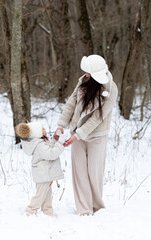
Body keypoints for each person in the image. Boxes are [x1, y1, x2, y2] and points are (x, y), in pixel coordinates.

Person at [54, 54, 118, 216]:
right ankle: (84, 209)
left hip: (96, 135)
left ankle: (97, 206)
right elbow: (71, 103)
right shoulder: (83, 80)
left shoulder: (111, 88)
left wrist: (79, 134)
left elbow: (99, 117)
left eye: (89, 73)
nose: (86, 75)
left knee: (94, 172)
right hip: (77, 132)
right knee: (80, 171)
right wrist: (61, 126)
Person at [16, 122, 64, 217]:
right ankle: (30, 210)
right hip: (43, 173)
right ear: (37, 133)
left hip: (46, 173)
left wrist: (56, 139)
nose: (45, 130)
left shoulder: (40, 142)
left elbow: (50, 148)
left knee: (47, 193)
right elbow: (51, 154)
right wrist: (60, 143)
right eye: (42, 129)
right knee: (40, 194)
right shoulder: (39, 145)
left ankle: (47, 210)